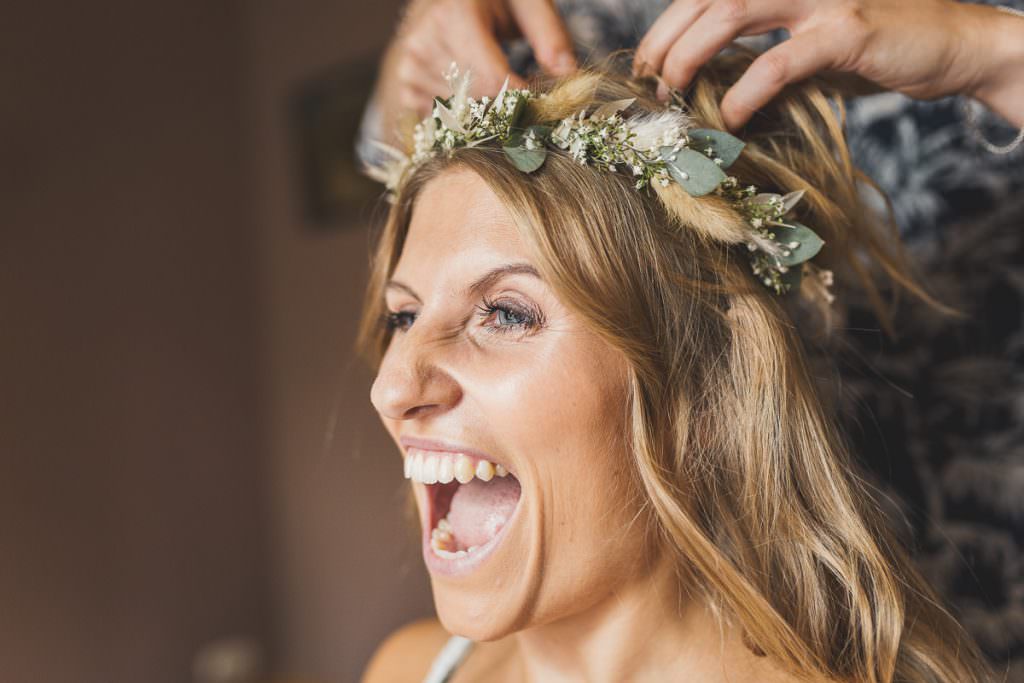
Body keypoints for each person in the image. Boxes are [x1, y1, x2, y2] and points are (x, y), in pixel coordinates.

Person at [355, 1, 1024, 676]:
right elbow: (396, 135)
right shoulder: (405, 666)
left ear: (703, 387)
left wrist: (992, 49)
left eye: (504, 312)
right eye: (402, 316)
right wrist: (409, 57)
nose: (390, 388)